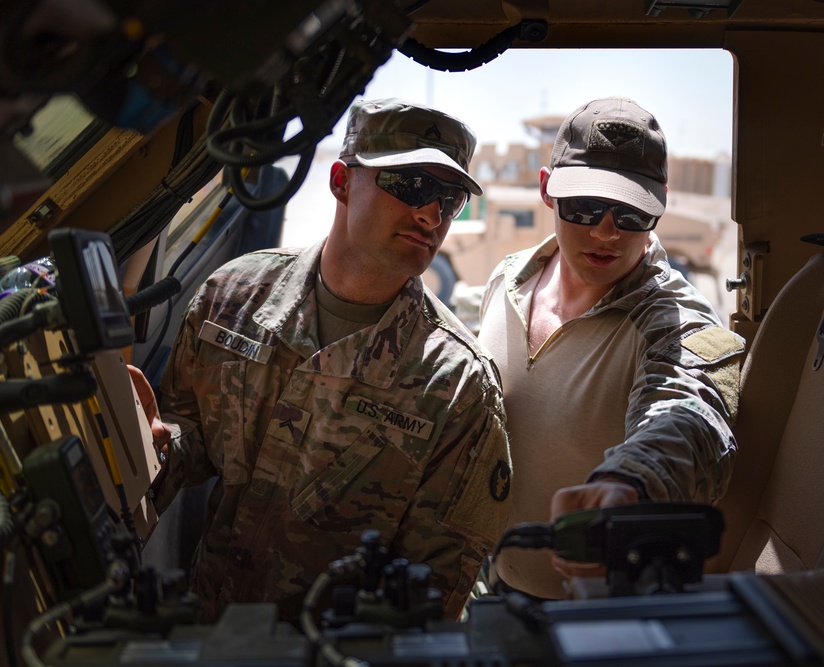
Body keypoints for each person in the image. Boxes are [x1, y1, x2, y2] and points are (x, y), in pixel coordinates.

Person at [130, 98, 512, 623]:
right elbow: (190, 434)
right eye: (410, 186)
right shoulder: (233, 298)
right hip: (208, 627)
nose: (431, 214)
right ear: (340, 182)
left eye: (450, 200)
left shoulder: (459, 384)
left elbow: (436, 591)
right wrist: (154, 444)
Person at [477, 96, 744, 600]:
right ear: (546, 191)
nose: (605, 232)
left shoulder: (672, 321)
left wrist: (632, 482)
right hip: (492, 581)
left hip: (597, 611)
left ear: (661, 203)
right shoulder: (509, 278)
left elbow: (686, 409)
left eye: (630, 213)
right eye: (584, 207)